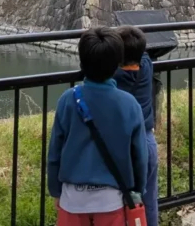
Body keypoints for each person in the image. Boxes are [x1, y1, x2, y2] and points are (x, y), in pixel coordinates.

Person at [47, 28, 148, 226]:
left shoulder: (68, 100)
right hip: (111, 200)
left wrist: (55, 190)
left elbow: (54, 153)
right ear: (118, 63)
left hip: (72, 199)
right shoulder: (129, 104)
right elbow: (140, 156)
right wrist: (137, 191)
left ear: (82, 62)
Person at [113, 26, 159, 226]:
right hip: (147, 140)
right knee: (148, 198)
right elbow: (145, 53)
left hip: (121, 146)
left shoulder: (114, 77)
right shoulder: (147, 66)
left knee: (119, 199)